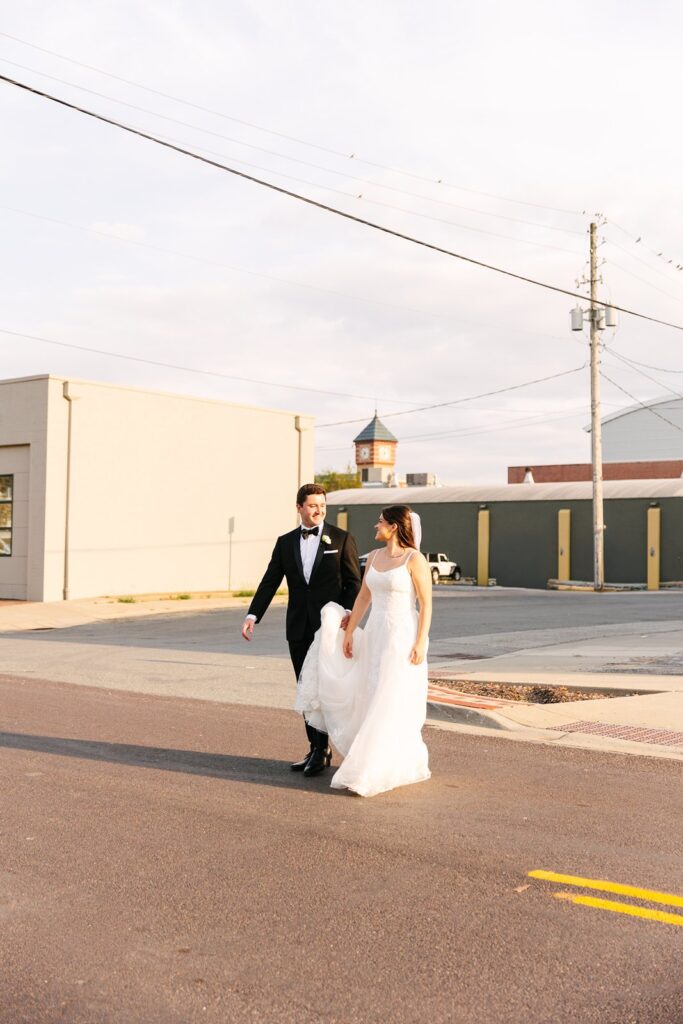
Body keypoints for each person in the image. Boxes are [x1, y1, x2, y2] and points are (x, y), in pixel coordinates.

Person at [295, 504, 432, 798]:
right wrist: (348, 631)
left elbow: (427, 603)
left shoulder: (414, 559)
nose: (376, 526)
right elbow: (363, 597)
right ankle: (373, 757)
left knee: (390, 695)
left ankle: (376, 766)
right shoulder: (374, 557)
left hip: (402, 634)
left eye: (380, 522)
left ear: (394, 526)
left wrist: (421, 641)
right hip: (376, 633)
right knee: (372, 693)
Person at [242, 483, 362, 776]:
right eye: (312, 505)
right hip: (297, 626)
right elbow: (270, 581)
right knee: (306, 688)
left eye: (322, 505)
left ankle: (328, 749)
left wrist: (347, 612)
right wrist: (253, 614)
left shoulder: (342, 539)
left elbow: (354, 581)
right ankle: (317, 748)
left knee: (326, 687)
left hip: (329, 628)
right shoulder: (285, 543)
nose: (318, 510)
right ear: (299, 508)